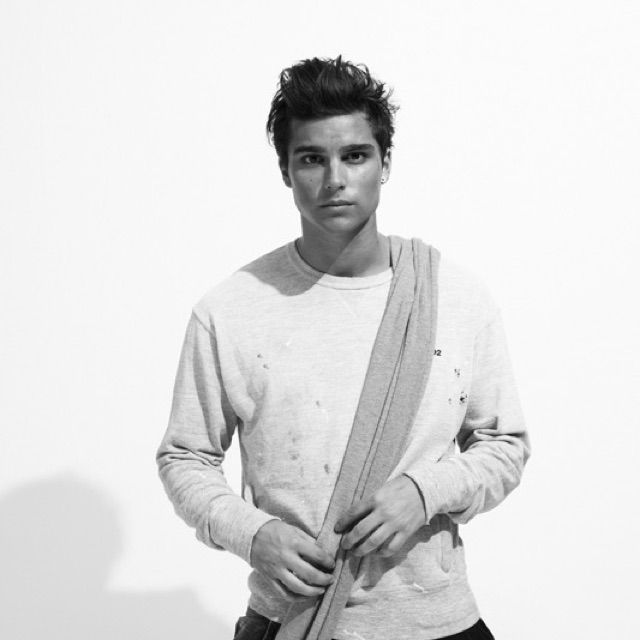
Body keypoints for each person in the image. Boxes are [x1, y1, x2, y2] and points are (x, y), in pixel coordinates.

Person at [156, 55, 531, 640]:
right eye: (312, 158)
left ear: (385, 163)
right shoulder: (230, 310)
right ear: (286, 171)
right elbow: (185, 456)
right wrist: (252, 534)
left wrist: (425, 492)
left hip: (436, 623)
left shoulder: (451, 296)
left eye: (355, 156)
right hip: (295, 618)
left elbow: (504, 444)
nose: (335, 178)